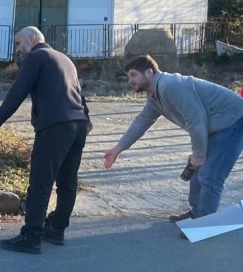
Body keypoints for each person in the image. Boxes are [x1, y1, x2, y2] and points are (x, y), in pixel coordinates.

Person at [0, 26, 91, 254]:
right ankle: (56, 229)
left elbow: (17, 91)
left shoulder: (36, 57)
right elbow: (77, 92)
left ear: (32, 39)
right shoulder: (64, 59)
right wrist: (86, 117)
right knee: (67, 182)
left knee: (40, 183)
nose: (18, 50)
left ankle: (31, 236)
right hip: (78, 124)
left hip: (55, 126)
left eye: (19, 43)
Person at [103, 55, 243, 222]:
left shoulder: (171, 86)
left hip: (234, 120)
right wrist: (117, 150)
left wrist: (199, 154)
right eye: (128, 76)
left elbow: (196, 120)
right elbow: (142, 121)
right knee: (198, 170)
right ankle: (196, 213)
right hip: (217, 125)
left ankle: (204, 221)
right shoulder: (155, 96)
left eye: (133, 75)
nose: (130, 80)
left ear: (149, 72)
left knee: (210, 173)